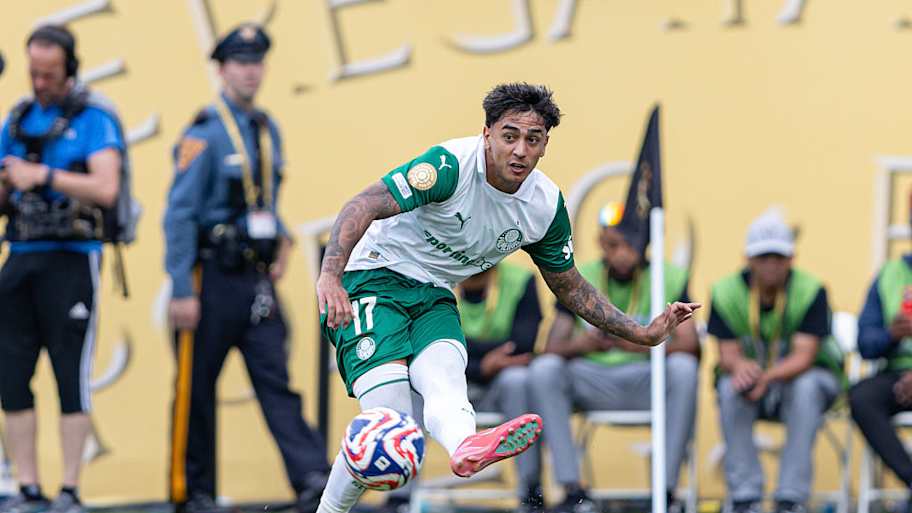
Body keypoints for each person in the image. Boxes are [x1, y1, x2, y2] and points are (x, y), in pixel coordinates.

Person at [314, 82, 700, 513]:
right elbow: (362, 205)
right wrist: (330, 276)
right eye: (509, 135)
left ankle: (466, 447)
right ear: (487, 134)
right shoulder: (448, 167)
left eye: (532, 140)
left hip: (434, 293)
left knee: (445, 377)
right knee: (389, 428)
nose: (519, 151)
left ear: (545, 146)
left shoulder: (543, 206)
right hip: (373, 277)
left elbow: (569, 285)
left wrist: (642, 331)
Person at [163, 24, 329, 513]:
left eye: (257, 61)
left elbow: (264, 199)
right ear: (221, 68)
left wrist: (280, 237)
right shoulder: (204, 133)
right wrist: (180, 288)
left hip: (254, 279)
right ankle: (193, 491)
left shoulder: (266, 127)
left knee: (276, 379)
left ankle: (314, 480)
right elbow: (179, 215)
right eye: (240, 61)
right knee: (195, 388)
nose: (250, 70)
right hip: (209, 278)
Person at [0, 25, 126, 513]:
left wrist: (45, 176)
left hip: (72, 260)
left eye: (49, 74)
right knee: (11, 376)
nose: (40, 83)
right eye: (33, 73)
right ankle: (28, 487)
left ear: (70, 68)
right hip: (21, 257)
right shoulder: (17, 121)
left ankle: (69, 488)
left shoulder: (93, 118)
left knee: (69, 373)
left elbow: (107, 188)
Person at [529, 202, 700, 513]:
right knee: (544, 370)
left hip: (646, 379)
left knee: (685, 369)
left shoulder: (669, 276)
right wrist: (581, 345)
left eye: (629, 244)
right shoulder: (580, 277)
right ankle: (572, 491)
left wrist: (642, 345)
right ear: (600, 242)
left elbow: (691, 347)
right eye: (612, 244)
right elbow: (551, 347)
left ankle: (667, 492)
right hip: (593, 379)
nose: (621, 253)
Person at [708, 208, 843, 513]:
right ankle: (745, 497)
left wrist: (763, 377)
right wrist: (742, 370)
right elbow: (727, 354)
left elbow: (804, 356)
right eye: (763, 256)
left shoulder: (811, 290)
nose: (771, 265)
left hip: (805, 382)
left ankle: (790, 498)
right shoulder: (725, 291)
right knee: (730, 388)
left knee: (806, 386)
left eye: (778, 257)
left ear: (791, 259)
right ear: (748, 258)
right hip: (755, 383)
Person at [460, 262, 544, 513]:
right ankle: (400, 498)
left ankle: (530, 493)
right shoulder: (435, 273)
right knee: (415, 381)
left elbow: (523, 344)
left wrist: (467, 350)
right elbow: (425, 345)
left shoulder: (520, 280)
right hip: (449, 382)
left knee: (518, 380)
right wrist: (481, 365)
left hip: (499, 385)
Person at [849, 201, 912, 513]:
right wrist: (891, 334)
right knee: (861, 397)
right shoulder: (889, 275)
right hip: (898, 374)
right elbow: (865, 341)